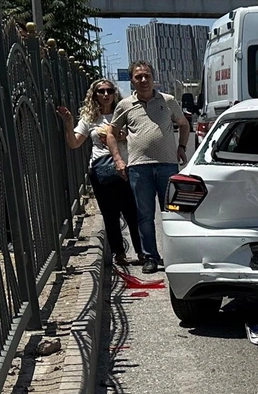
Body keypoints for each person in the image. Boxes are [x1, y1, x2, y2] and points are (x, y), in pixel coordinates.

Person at [107, 61, 190, 274]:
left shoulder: (168, 101)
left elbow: (183, 124)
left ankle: (176, 255)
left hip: (167, 166)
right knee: (144, 215)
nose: (143, 80)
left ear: (153, 78)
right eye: (138, 77)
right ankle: (150, 257)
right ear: (132, 80)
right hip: (139, 168)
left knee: (173, 213)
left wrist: (181, 146)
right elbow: (111, 133)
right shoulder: (125, 105)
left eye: (147, 76)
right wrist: (118, 159)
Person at [58, 79, 143, 266]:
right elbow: (74, 143)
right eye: (101, 91)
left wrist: (125, 136)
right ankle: (119, 253)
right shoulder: (90, 118)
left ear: (114, 93)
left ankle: (142, 252)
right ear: (94, 95)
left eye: (109, 91)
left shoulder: (126, 113)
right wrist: (69, 123)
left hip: (126, 166)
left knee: (133, 212)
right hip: (101, 170)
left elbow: (141, 137)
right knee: (110, 213)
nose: (106, 95)